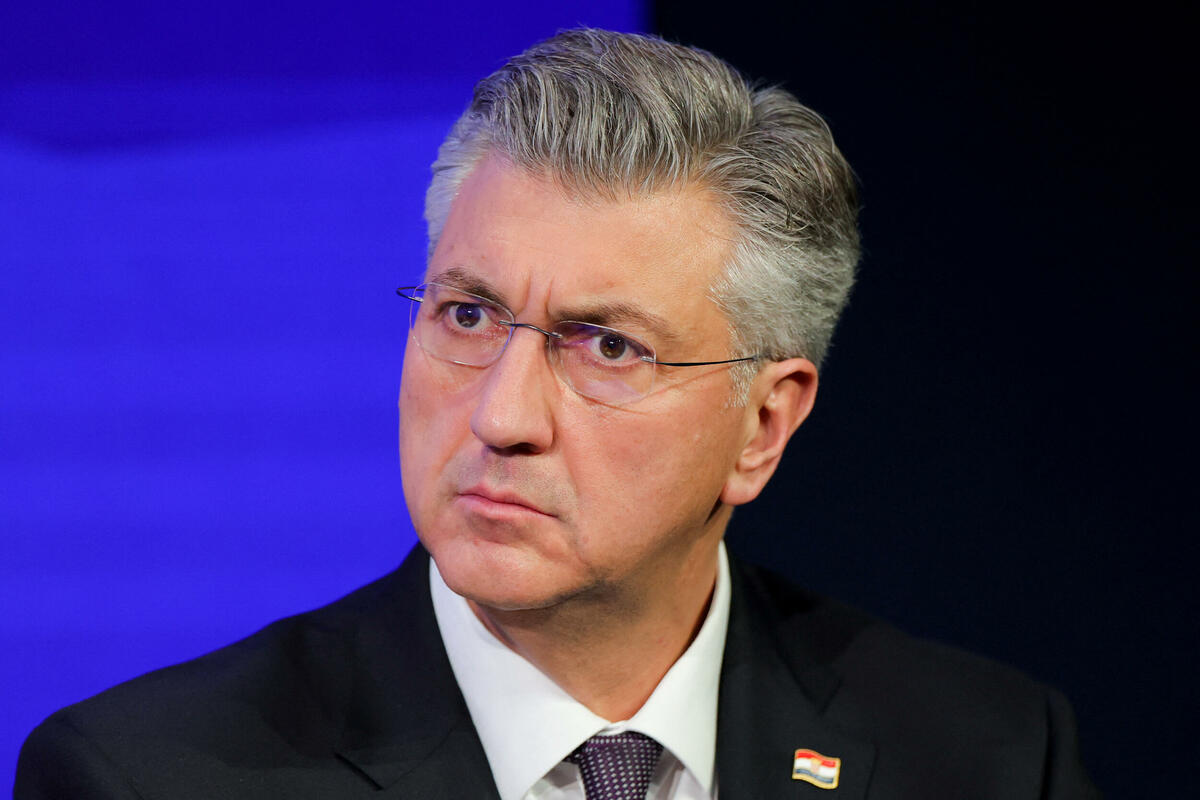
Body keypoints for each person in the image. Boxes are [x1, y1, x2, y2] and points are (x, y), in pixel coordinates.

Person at [15, 28, 1099, 799]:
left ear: (763, 426)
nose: (502, 415)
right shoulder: (143, 775)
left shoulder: (991, 757)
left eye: (608, 346)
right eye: (468, 314)